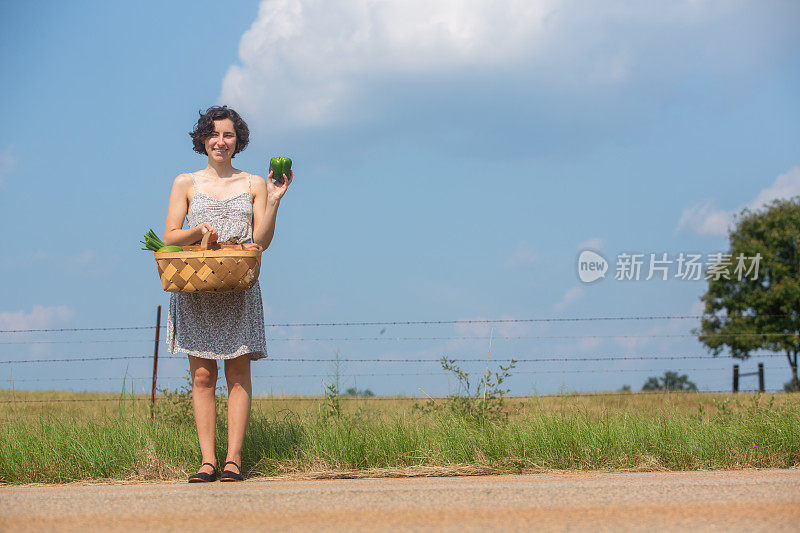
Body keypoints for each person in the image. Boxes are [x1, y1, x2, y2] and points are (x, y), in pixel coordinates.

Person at [162, 105, 292, 482]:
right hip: (198, 288)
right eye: (214, 134)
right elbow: (170, 236)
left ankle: (233, 459)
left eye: (229, 135)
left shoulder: (253, 183)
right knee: (202, 378)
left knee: (238, 375)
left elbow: (262, 240)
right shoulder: (184, 182)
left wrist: (275, 197)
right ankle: (207, 461)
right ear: (203, 139)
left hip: (238, 289)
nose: (221, 141)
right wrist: (200, 232)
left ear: (239, 141)